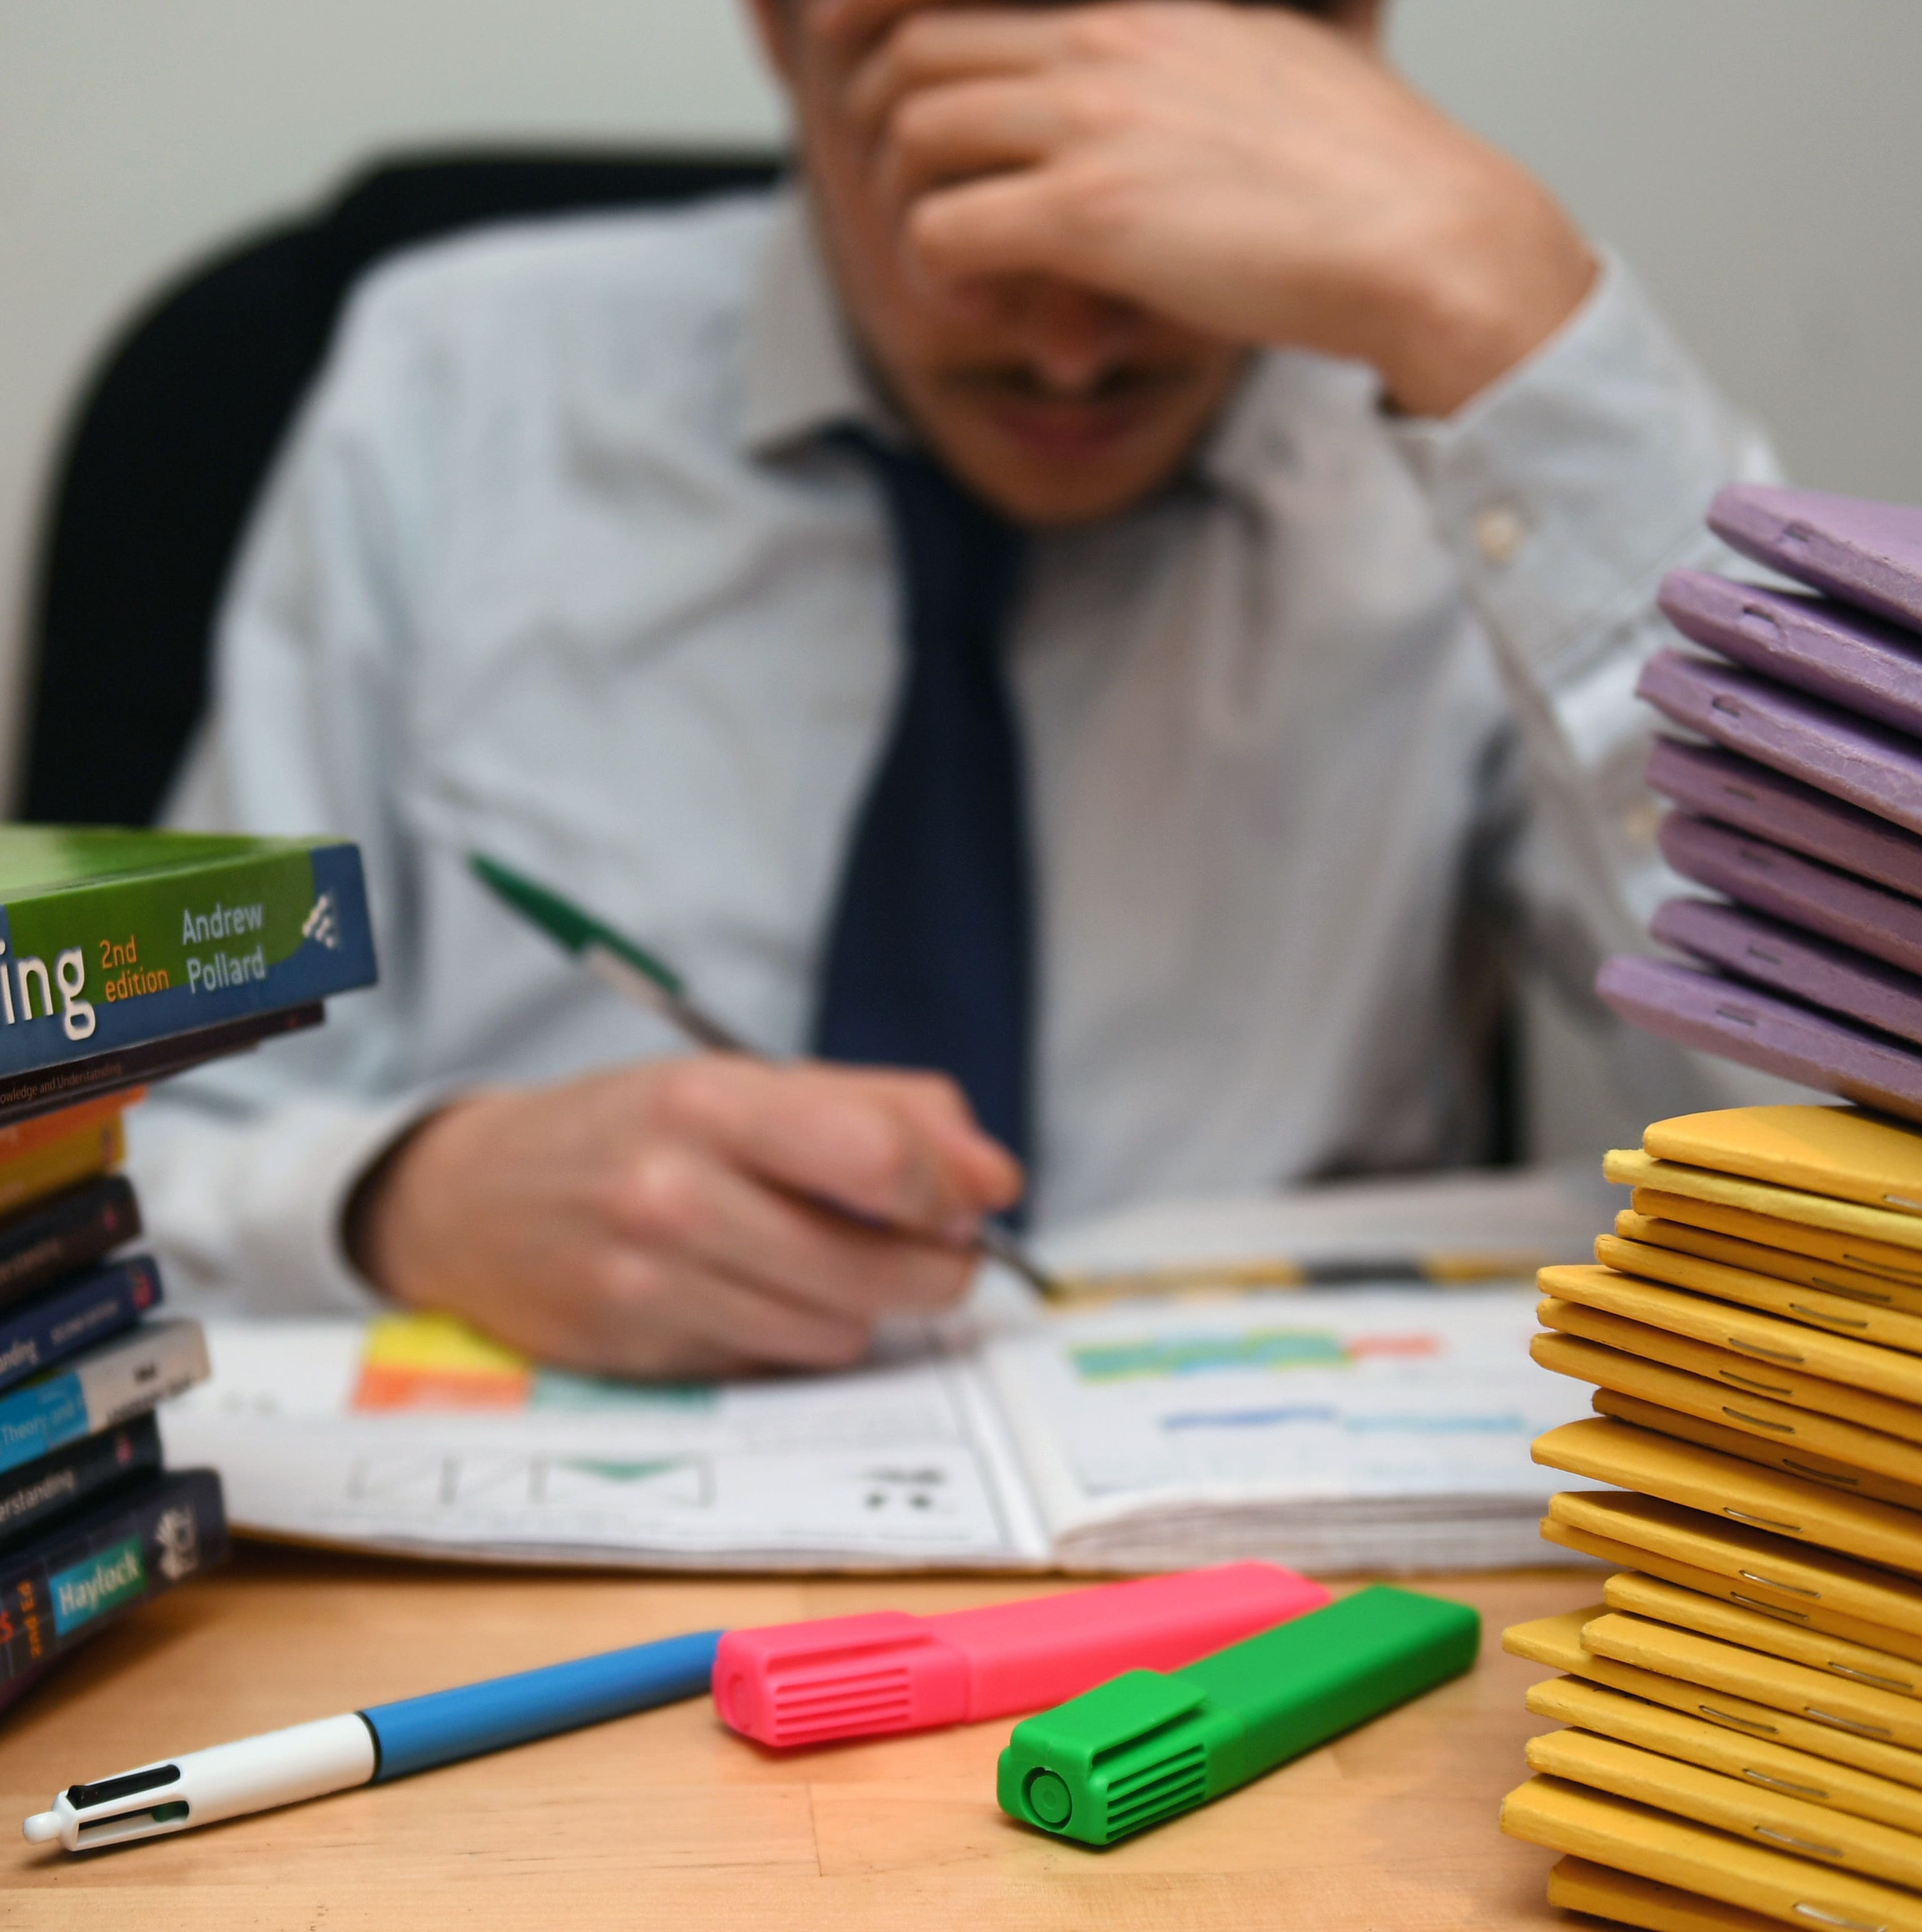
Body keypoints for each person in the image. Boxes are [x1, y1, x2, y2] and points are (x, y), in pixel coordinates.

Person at [134, 0, 1774, 1377]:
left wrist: (1513, 327)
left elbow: (1866, 1172)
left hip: (1289, 1609)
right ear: (785, 29)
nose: (1069, 349)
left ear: (1338, 52)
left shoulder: (1482, 455)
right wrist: (404, 1198)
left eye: (1144, 182)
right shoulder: (450, 394)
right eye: (962, 164)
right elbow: (108, 1183)